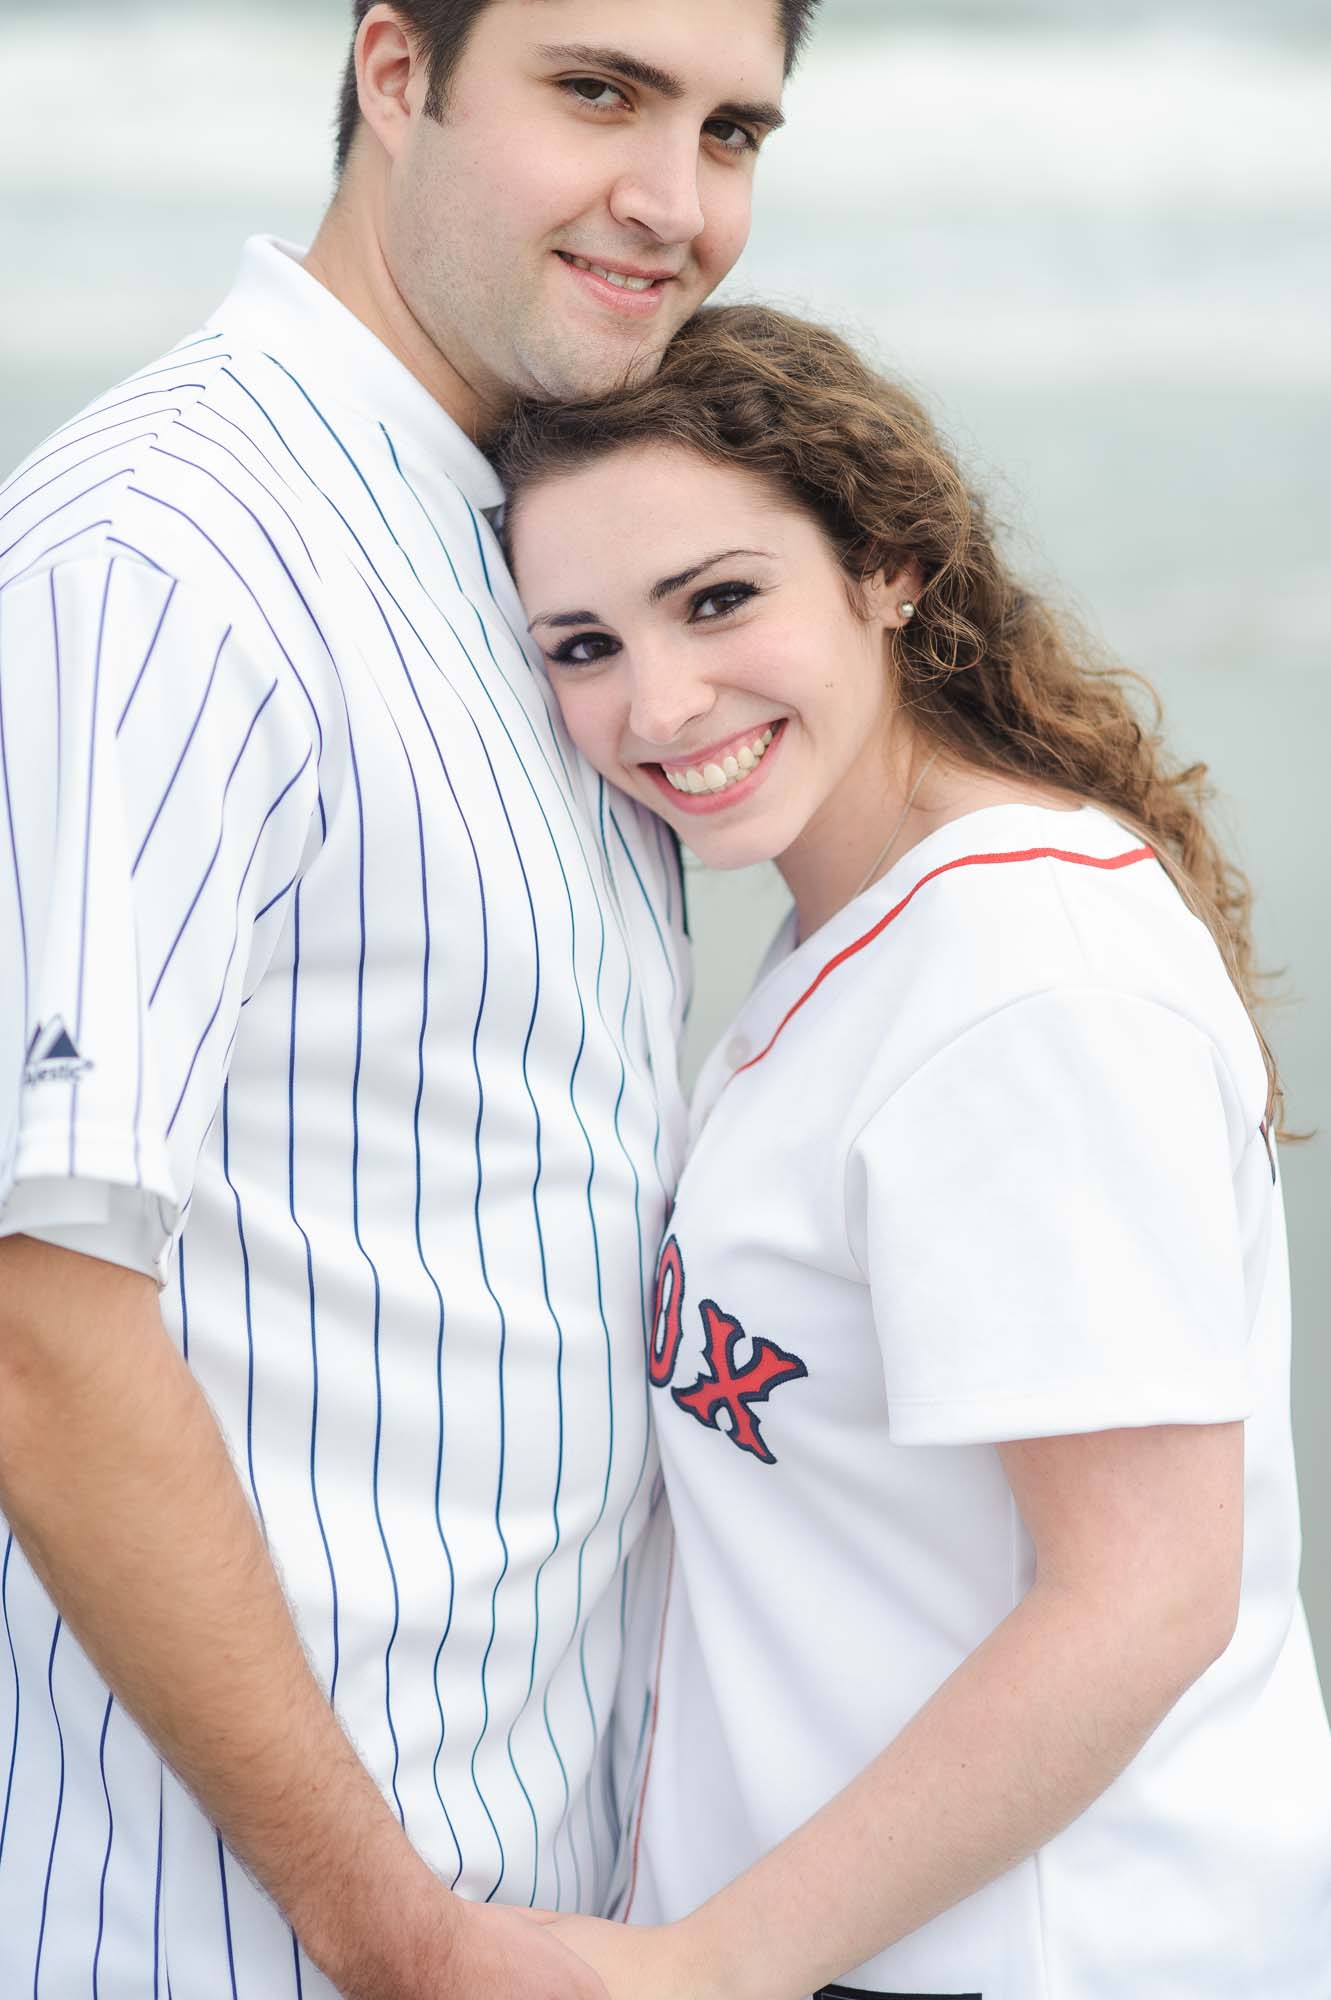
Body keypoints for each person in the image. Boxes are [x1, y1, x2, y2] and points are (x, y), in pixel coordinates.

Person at [0, 5, 821, 1996]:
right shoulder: (165, 553)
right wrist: (396, 1932)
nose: (674, 202)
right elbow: (38, 1319)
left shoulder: (548, 558)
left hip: (540, 1899)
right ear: (394, 72)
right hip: (217, 1934)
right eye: (598, 91)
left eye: (730, 131)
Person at [493, 303, 1331, 1999]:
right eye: (581, 644)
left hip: (1054, 1955)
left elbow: (1145, 1603)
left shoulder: (1022, 984)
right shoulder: (865, 925)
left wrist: (711, 1965)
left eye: (718, 600)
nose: (660, 702)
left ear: (891, 569)